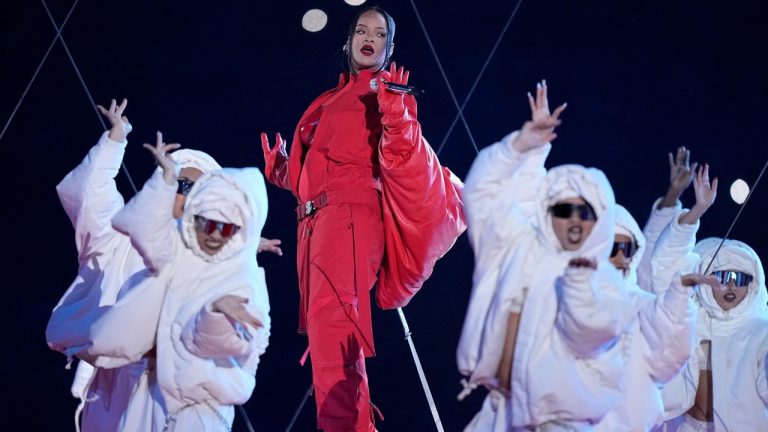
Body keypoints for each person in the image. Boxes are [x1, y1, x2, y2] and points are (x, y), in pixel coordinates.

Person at [261, 6, 465, 431]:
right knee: (327, 339)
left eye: (379, 33)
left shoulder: (383, 91)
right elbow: (319, 171)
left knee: (335, 331)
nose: (368, 37)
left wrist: (396, 110)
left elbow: (401, 152)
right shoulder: (330, 97)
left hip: (349, 222)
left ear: (389, 48)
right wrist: (281, 169)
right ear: (348, 40)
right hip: (315, 227)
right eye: (361, 30)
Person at [46, 99, 277, 431]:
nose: (187, 195)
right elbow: (89, 198)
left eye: (199, 190)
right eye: (182, 184)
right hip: (116, 392)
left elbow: (241, 341)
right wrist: (115, 139)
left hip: (181, 398)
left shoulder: (219, 266)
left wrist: (237, 249)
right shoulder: (120, 240)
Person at [456, 81, 633, 431]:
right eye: (565, 209)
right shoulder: (516, 248)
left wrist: (579, 283)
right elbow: (483, 197)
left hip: (561, 424)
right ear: (550, 211)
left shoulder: (605, 280)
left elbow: (590, 332)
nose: (575, 220)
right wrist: (522, 147)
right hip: (499, 414)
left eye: (587, 213)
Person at [593, 204, 700, 431]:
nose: (622, 257)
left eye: (628, 248)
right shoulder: (564, 295)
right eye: (614, 247)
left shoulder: (640, 303)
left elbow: (671, 352)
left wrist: (679, 292)